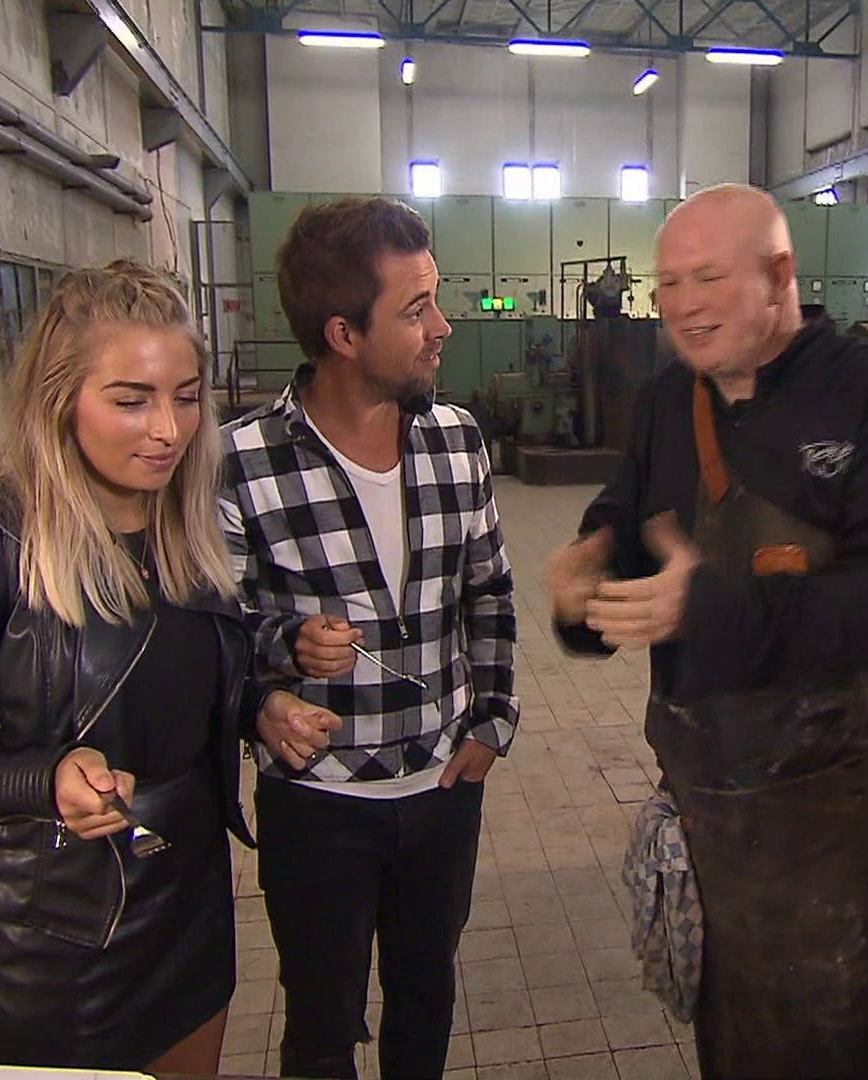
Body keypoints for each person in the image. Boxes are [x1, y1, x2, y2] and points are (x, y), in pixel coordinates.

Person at [545, 183, 868, 1079]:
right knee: (733, 1035)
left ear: (780, 274)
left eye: (708, 278)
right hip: (710, 800)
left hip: (835, 812)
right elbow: (623, 517)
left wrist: (709, 607)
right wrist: (588, 575)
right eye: (668, 283)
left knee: (841, 1036)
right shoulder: (667, 401)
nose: (683, 305)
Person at [0, 260, 259, 1072]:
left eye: (186, 397)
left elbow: (187, 690)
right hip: (65, 931)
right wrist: (46, 778)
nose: (168, 430)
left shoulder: (191, 526)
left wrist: (267, 704)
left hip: (190, 900)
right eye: (131, 401)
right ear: (60, 400)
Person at [220, 196, 518, 1080]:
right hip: (319, 807)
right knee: (322, 1025)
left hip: (443, 791)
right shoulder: (240, 462)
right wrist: (280, 654)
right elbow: (214, 633)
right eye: (416, 309)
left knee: (426, 998)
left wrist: (493, 719)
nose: (443, 327)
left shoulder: (457, 441)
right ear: (343, 335)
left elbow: (490, 590)